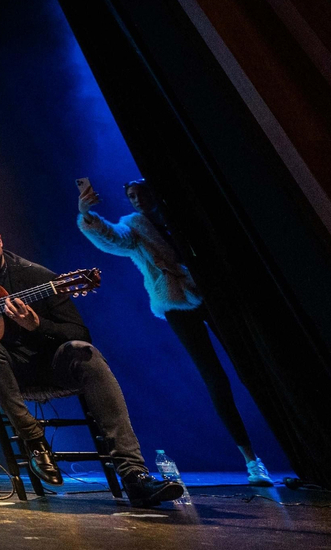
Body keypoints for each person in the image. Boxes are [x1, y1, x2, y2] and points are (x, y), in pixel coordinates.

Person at [0, 211, 184, 508]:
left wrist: (36, 326)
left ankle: (134, 476)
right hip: (6, 376)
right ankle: (34, 439)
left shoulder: (36, 276)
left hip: (47, 366)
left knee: (84, 352)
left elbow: (79, 332)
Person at [78, 179, 273, 486]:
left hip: (214, 296)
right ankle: (252, 461)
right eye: (132, 196)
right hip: (177, 303)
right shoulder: (135, 226)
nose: (138, 200)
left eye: (143, 193)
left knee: (251, 366)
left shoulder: (182, 218)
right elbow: (114, 238)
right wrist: (87, 216)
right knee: (214, 377)